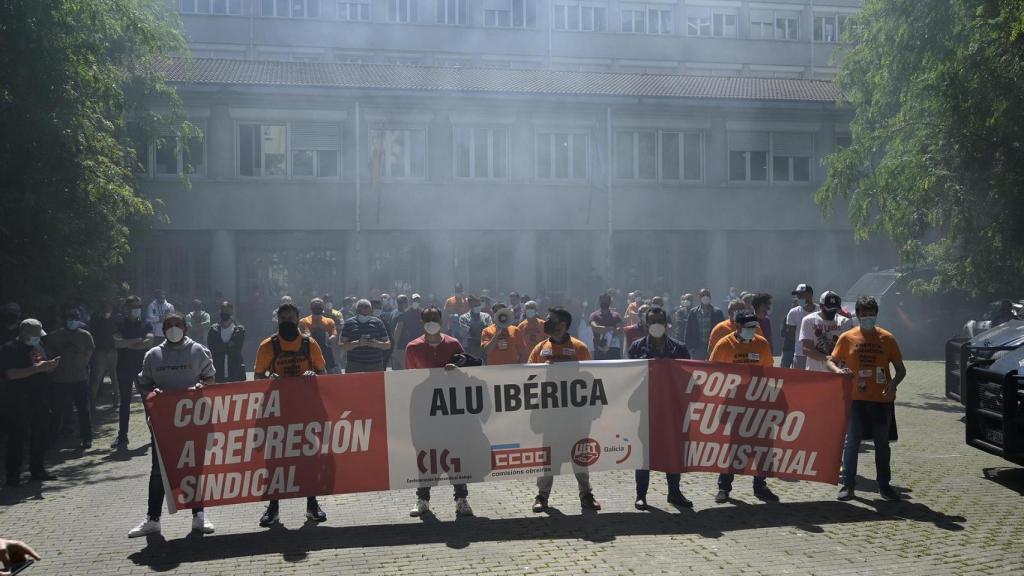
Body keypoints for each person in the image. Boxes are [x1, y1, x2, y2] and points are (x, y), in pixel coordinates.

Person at [127, 313, 216, 538]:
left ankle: (199, 516)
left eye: (177, 324)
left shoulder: (198, 351)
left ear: (185, 328)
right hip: (163, 424)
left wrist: (202, 386)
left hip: (193, 422)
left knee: (194, 468)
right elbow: (144, 383)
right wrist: (153, 393)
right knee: (158, 470)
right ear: (163, 329)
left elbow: (210, 379)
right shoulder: (153, 355)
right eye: (168, 325)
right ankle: (153, 519)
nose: (173, 328)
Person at [252, 302, 328, 526]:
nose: (287, 321)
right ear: (277, 320)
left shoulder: (309, 344)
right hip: (277, 412)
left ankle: (312, 505)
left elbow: (323, 374)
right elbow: (257, 378)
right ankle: (273, 508)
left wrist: (313, 374)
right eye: (283, 318)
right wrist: (271, 380)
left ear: (298, 319)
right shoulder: (267, 346)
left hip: (306, 410)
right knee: (275, 461)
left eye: (291, 317)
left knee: (309, 459)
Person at [828, 296, 907, 502]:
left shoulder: (887, 338)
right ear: (857, 314)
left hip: (882, 400)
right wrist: (838, 371)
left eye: (871, 313)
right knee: (851, 443)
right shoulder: (847, 337)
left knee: (882, 444)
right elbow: (831, 360)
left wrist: (893, 384)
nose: (867, 317)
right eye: (864, 313)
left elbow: (901, 369)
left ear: (876, 314)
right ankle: (848, 485)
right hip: (855, 399)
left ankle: (885, 486)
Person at [528, 307, 601, 513]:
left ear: (562, 325)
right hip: (549, 415)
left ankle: (586, 495)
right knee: (548, 456)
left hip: (575, 414)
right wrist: (543, 370)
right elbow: (528, 377)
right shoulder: (540, 349)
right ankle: (542, 496)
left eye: (550, 319)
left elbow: (590, 378)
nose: (546, 322)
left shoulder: (579, 348)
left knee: (580, 454)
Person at [404, 306, 474, 517]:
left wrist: (457, 370)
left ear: (441, 320)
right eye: (427, 318)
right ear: (421, 321)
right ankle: (422, 499)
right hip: (424, 410)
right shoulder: (413, 347)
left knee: (456, 454)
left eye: (434, 318)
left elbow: (467, 371)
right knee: (425, 455)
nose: (431, 321)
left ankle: (461, 499)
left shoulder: (453, 344)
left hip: (451, 409)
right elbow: (409, 378)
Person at [709, 310, 778, 503]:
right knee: (733, 446)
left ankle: (760, 485)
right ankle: (724, 487)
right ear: (737, 326)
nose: (752, 330)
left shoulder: (762, 343)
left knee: (763, 446)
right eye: (748, 327)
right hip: (734, 404)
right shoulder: (724, 345)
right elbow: (713, 372)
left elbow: (769, 370)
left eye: (754, 327)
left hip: (758, 402)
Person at [628, 306, 692, 510]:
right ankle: (641, 495)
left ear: (666, 324)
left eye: (659, 321)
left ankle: (674, 493)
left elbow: (689, 376)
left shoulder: (679, 348)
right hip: (646, 408)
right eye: (651, 321)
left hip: (672, 409)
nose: (655, 324)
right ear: (646, 324)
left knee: (673, 450)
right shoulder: (636, 347)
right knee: (644, 454)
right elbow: (628, 377)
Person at [2, 319, 59, 486]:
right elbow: (10, 374)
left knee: (40, 434)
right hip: (18, 399)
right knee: (16, 437)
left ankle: (37, 470)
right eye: (35, 335)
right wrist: (36, 369)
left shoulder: (38, 346)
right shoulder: (9, 349)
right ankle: (13, 475)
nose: (37, 338)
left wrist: (50, 367)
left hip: (39, 397)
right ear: (24, 333)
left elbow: (41, 365)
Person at [45, 306, 94, 449]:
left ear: (78, 321)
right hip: (60, 379)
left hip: (79, 378)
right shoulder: (55, 335)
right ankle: (51, 438)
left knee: (83, 410)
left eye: (74, 319)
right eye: (69, 319)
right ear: (65, 321)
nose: (72, 322)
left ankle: (86, 438)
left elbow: (89, 351)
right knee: (57, 411)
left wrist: (82, 364)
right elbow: (48, 352)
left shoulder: (85, 335)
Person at [112, 296, 154, 450]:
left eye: (138, 306)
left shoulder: (146, 323)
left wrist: (127, 343)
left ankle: (154, 435)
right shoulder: (119, 323)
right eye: (132, 306)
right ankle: (122, 437)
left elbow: (149, 342)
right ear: (126, 308)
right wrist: (137, 340)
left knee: (148, 403)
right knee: (124, 404)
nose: (135, 309)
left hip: (142, 369)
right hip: (123, 368)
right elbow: (117, 343)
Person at [799, 291, 852, 372]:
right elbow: (806, 349)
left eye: (834, 310)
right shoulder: (809, 320)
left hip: (838, 372)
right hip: (816, 372)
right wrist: (827, 358)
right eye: (829, 310)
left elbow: (849, 348)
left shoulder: (845, 322)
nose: (832, 313)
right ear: (821, 306)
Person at [340, 299, 390, 373]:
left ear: (371, 311)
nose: (365, 315)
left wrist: (377, 344)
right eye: (363, 314)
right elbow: (342, 346)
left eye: (368, 313)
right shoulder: (349, 323)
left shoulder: (378, 323)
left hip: (375, 366)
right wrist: (358, 343)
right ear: (357, 311)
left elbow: (388, 345)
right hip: (354, 366)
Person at [88, 301, 119, 409]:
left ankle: (116, 400)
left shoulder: (114, 319)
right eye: (106, 309)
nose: (108, 311)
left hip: (112, 350)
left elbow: (116, 333)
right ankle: (92, 402)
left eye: (109, 309)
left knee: (114, 376)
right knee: (97, 377)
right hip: (100, 351)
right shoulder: (96, 319)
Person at [207, 301, 246, 383]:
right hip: (218, 371)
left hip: (235, 371)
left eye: (227, 310)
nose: (225, 313)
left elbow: (237, 349)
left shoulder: (239, 330)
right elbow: (212, 349)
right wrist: (229, 345)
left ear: (232, 312)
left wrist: (220, 346)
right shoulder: (213, 329)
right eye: (223, 310)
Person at [300, 298, 339, 375]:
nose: (317, 308)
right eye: (315, 306)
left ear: (323, 307)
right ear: (311, 308)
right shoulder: (304, 321)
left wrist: (330, 339)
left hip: (326, 353)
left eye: (319, 306)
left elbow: (334, 334)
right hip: (310, 353)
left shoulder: (329, 321)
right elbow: (306, 335)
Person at [782, 284, 816, 369]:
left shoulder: (820, 310)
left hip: (818, 353)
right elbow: (791, 334)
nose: (798, 297)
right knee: (799, 377)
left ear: (810, 295)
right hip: (800, 354)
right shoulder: (793, 312)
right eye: (797, 295)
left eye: (801, 295)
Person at [686, 288, 725, 360]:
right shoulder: (693, 312)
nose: (706, 297)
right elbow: (688, 331)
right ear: (699, 297)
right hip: (698, 348)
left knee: (713, 366)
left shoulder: (717, 312)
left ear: (710, 297)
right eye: (703, 295)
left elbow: (723, 330)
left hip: (713, 347)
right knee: (698, 366)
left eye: (707, 295)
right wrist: (690, 347)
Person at [392, 294, 422, 370]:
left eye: (417, 301)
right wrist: (395, 345)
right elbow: (398, 330)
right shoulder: (404, 314)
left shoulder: (422, 313)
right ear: (410, 302)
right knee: (405, 369)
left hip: (416, 345)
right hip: (403, 346)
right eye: (414, 300)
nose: (416, 302)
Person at [590, 293, 624, 360]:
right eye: (602, 300)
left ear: (609, 302)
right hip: (599, 348)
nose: (604, 302)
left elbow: (620, 329)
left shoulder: (616, 315)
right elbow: (594, 327)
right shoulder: (594, 315)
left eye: (606, 300)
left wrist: (605, 331)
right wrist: (610, 329)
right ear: (600, 301)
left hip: (614, 349)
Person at [458, 295, 492, 359]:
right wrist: (481, 328)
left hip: (484, 346)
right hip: (470, 348)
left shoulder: (486, 316)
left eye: (478, 305)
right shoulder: (464, 317)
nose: (477, 307)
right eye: (475, 305)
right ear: (470, 306)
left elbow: (490, 329)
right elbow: (467, 331)